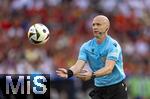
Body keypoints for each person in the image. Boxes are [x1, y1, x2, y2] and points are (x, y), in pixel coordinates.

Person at [56, 15, 128, 99]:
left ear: (107, 27)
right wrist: (69, 72)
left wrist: (91, 75)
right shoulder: (86, 47)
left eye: (98, 24)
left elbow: (109, 68)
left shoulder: (113, 45)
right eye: (93, 25)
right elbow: (78, 65)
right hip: (99, 89)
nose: (95, 27)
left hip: (117, 89)